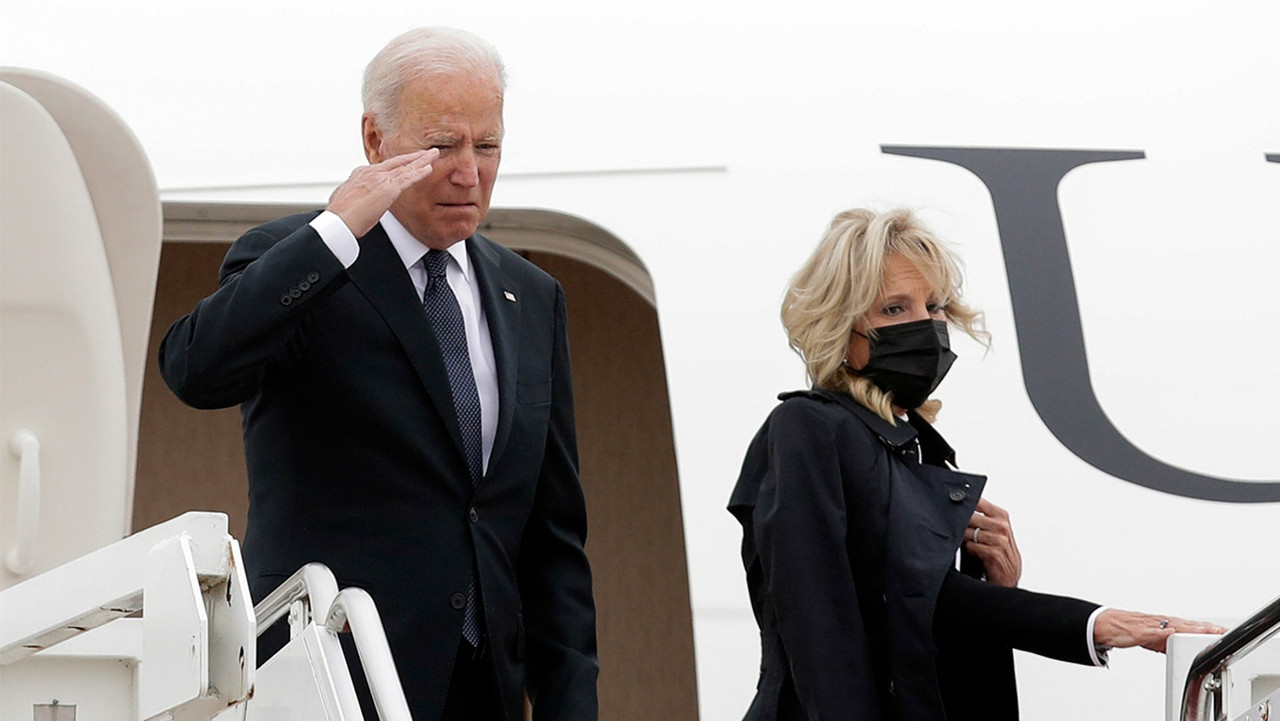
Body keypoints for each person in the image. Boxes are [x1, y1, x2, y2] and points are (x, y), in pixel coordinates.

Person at [159, 27, 597, 721]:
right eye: (442, 146)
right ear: (375, 139)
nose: (468, 172)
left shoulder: (532, 295)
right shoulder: (298, 260)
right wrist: (334, 235)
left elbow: (552, 541)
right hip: (330, 673)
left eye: (487, 146)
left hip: (482, 690)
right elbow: (195, 369)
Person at [727, 208, 1223, 720]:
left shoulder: (922, 451)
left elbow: (928, 624)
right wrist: (1100, 624)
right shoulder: (808, 427)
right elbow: (820, 626)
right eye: (894, 308)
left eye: (934, 305)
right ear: (839, 326)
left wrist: (998, 587)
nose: (925, 324)